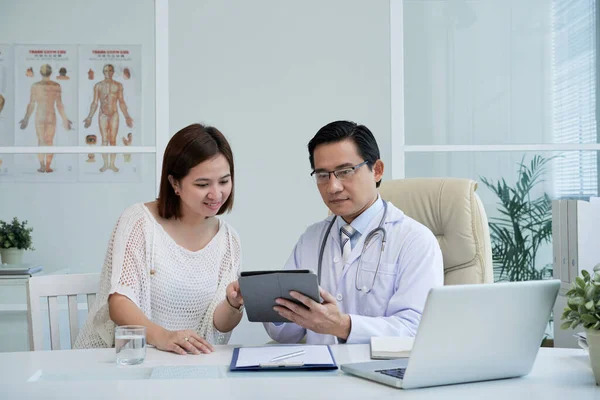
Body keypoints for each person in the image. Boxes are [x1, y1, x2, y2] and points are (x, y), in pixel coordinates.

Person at [262, 120, 444, 345]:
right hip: (320, 376)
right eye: (322, 175)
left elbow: (416, 330)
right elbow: (284, 335)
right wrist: (267, 303)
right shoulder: (311, 239)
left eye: (345, 171)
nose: (333, 187)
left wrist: (344, 326)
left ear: (376, 170)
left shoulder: (415, 240)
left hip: (380, 375)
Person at [75, 123, 245, 355]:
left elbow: (215, 327)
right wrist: (162, 337)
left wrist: (233, 304)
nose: (216, 194)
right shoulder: (139, 222)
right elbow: (119, 303)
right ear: (175, 183)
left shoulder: (228, 241)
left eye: (224, 181)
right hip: (122, 360)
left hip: (188, 367)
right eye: (203, 184)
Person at [19, 64, 73, 173]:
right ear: (51, 72)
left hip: (41, 115)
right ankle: (46, 166)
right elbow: (58, 104)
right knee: (48, 141)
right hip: (49, 115)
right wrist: (64, 119)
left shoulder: (36, 86)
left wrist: (26, 118)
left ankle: (44, 166)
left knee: (42, 141)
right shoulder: (55, 86)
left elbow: (32, 104)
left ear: (40, 72)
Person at [83, 64, 134, 173]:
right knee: (104, 140)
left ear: (113, 72)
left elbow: (121, 102)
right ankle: (106, 164)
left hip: (114, 114)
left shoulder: (118, 85)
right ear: (103, 72)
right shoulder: (98, 86)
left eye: (110, 70)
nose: (108, 72)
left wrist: (127, 117)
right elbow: (95, 103)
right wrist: (89, 117)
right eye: (106, 70)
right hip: (103, 114)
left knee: (113, 140)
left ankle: (112, 164)